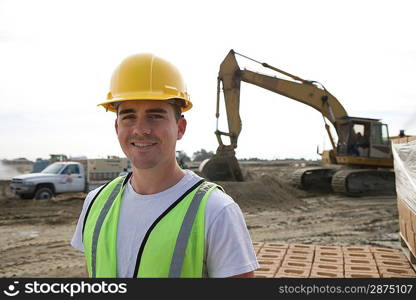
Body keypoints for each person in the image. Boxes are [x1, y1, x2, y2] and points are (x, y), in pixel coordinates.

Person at [71, 53, 259, 278]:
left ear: (180, 128)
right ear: (116, 127)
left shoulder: (216, 211)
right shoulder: (96, 203)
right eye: (129, 117)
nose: (141, 129)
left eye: (155, 116)